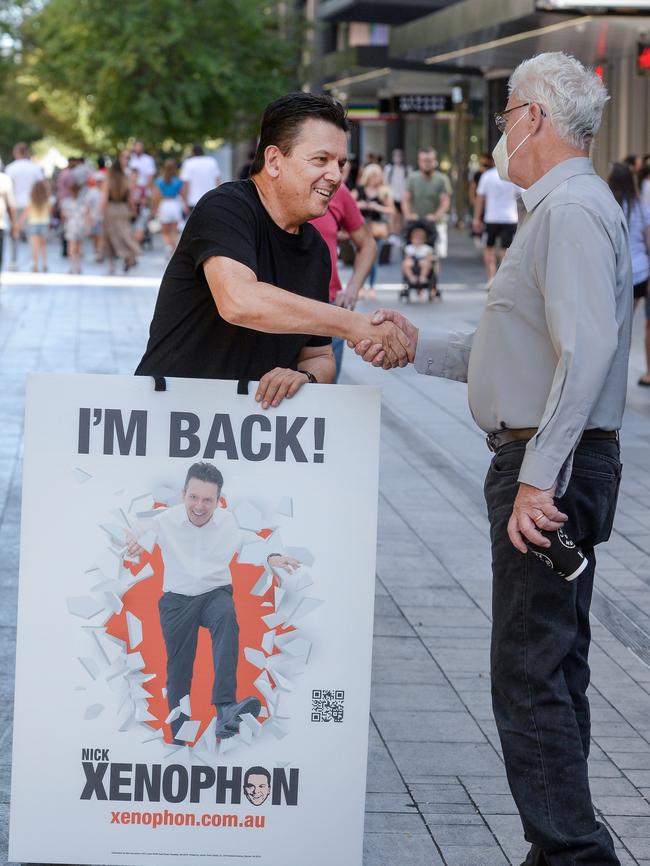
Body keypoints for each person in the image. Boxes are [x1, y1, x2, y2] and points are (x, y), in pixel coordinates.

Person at [357, 52, 631, 866]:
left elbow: (585, 358)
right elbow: (514, 350)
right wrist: (413, 346)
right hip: (551, 460)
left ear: (534, 118)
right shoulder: (561, 209)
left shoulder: (571, 211)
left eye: (506, 111)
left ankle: (575, 857)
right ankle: (560, 852)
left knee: (528, 671)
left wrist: (537, 480)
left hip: (549, 467)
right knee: (551, 665)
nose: (498, 129)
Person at [134, 91, 411, 402]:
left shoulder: (316, 249)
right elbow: (239, 301)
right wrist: (355, 325)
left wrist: (304, 375)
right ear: (274, 160)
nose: (335, 176)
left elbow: (320, 357)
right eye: (320, 159)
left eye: (341, 163)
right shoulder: (225, 207)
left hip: (254, 436)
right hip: (170, 418)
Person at [126, 462, 299, 742]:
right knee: (179, 669)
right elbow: (134, 527)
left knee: (226, 617)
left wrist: (272, 558)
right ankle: (180, 736)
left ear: (218, 501)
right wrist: (131, 536)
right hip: (177, 601)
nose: (199, 506)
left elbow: (251, 543)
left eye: (208, 500)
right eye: (194, 497)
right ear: (184, 494)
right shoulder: (164, 520)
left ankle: (226, 710)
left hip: (214, 594)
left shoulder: (228, 522)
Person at [310, 182, 376, 379]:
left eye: (339, 163)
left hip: (328, 308)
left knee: (324, 401)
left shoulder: (336, 190)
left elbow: (368, 244)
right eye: (321, 159)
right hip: (276, 310)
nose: (334, 172)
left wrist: (352, 290)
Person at [607, 162, 650, 387]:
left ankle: (612, 370)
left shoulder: (608, 207)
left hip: (618, 273)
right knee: (631, 323)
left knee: (617, 324)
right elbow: (648, 241)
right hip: (642, 272)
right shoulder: (640, 207)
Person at [402, 147, 452, 275]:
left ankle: (433, 283)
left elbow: (445, 201)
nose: (427, 163)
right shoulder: (412, 178)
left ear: (435, 161)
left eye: (430, 160)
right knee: (412, 251)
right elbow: (406, 199)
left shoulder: (441, 179)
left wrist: (436, 216)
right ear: (419, 161)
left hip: (436, 223)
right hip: (416, 223)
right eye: (424, 160)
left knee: (435, 255)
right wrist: (408, 215)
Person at [473, 161, 522, 286]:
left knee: (488, 248)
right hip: (510, 217)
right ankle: (503, 279)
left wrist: (477, 218)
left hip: (491, 217)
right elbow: (522, 195)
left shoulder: (487, 176)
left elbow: (480, 198)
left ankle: (491, 278)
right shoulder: (513, 175)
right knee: (505, 250)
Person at [351, 163, 394, 298]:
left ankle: (371, 286)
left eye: (378, 176)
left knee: (373, 258)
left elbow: (391, 209)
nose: (377, 178)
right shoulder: (359, 189)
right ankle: (360, 286)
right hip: (360, 228)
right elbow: (348, 205)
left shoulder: (384, 191)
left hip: (377, 228)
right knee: (359, 257)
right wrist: (360, 205)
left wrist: (376, 207)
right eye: (374, 175)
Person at [5, 142, 44, 268]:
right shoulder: (35, 168)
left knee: (14, 233)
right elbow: (41, 187)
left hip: (14, 204)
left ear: (16, 152)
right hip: (31, 204)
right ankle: (34, 261)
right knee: (32, 235)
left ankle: (13, 261)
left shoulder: (10, 168)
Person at [101, 159, 139, 274]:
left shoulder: (108, 180)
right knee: (124, 234)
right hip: (123, 209)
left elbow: (104, 198)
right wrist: (133, 210)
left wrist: (100, 211)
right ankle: (128, 256)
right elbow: (130, 199)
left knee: (110, 236)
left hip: (111, 209)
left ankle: (112, 265)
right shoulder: (125, 180)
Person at [14, 179, 50, 273]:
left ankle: (35, 264)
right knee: (43, 245)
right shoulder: (47, 199)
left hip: (33, 223)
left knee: (35, 246)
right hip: (44, 222)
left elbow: (25, 213)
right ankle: (44, 264)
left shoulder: (32, 200)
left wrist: (18, 223)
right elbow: (50, 211)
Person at [152, 159, 185, 257]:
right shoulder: (178, 181)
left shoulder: (159, 181)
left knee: (165, 230)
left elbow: (156, 196)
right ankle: (173, 248)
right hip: (175, 204)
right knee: (173, 230)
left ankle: (169, 246)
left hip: (164, 204)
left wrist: (154, 208)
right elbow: (182, 194)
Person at [180, 144, 221, 211]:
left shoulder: (189, 163)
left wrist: (184, 202)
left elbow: (185, 185)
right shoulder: (212, 161)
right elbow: (218, 182)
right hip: (211, 199)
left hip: (193, 201)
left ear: (193, 152)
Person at [60, 182, 89, 274]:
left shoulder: (66, 202)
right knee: (79, 247)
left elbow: (63, 215)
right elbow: (86, 214)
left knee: (71, 247)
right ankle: (78, 266)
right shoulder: (82, 202)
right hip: (80, 225)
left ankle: (72, 266)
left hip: (71, 225)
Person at [401, 221, 435, 298]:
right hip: (413, 263)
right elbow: (407, 257)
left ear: (424, 240)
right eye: (415, 239)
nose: (417, 241)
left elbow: (429, 258)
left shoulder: (426, 248)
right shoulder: (409, 248)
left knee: (425, 263)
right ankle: (411, 277)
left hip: (423, 262)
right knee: (406, 263)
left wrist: (427, 260)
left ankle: (423, 276)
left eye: (420, 239)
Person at [384, 148, 409, 236]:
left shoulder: (407, 169)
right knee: (392, 216)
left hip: (402, 197)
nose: (397, 158)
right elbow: (386, 183)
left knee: (400, 218)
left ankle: (398, 235)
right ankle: (392, 234)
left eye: (399, 156)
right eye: (395, 156)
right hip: (392, 197)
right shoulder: (389, 168)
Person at [0, 163, 16, 278]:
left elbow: (10, 203)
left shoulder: (4, 180)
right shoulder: (4, 180)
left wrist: (14, 223)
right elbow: (10, 204)